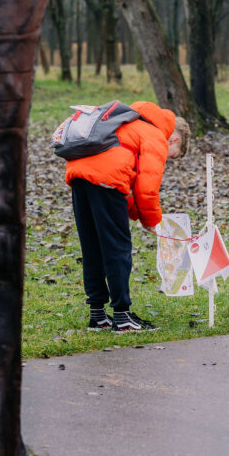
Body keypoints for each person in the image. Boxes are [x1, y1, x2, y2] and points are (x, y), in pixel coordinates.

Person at [65, 101, 191, 332]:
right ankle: (122, 316)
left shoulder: (128, 122)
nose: (169, 159)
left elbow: (123, 184)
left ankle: (98, 315)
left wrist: (137, 214)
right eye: (173, 156)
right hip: (106, 180)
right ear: (174, 140)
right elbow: (146, 189)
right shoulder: (155, 135)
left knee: (92, 247)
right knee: (117, 250)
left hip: (79, 175)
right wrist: (152, 222)